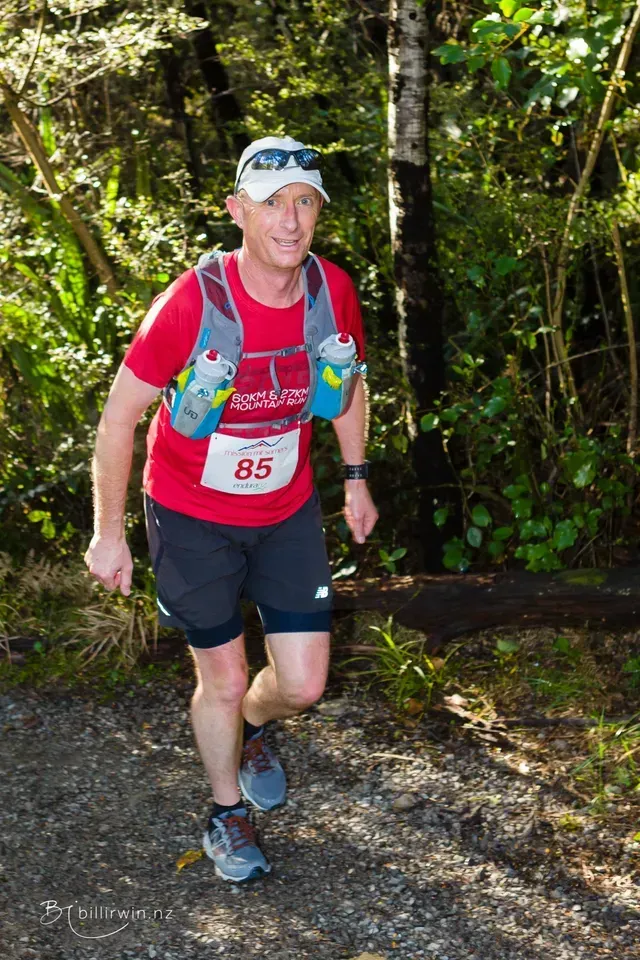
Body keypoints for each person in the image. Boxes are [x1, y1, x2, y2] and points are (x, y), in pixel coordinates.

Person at [84, 135, 378, 883]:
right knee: (219, 674)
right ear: (238, 211)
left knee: (305, 683)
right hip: (189, 517)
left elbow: (345, 383)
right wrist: (107, 534)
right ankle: (226, 814)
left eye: (305, 202)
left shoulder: (330, 290)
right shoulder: (189, 304)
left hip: (283, 511)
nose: (291, 221)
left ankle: (252, 725)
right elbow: (120, 419)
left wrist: (354, 475)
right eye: (273, 202)